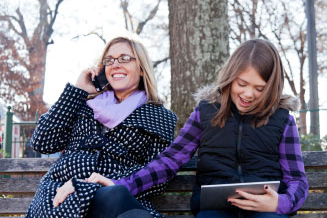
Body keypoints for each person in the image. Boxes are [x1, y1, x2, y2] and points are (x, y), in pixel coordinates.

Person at [91, 38, 309, 217]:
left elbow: (297, 180)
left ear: (271, 87)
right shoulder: (206, 112)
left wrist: (280, 203)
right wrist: (122, 185)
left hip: (265, 211)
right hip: (214, 210)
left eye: (259, 88)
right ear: (230, 78)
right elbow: (170, 160)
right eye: (241, 84)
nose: (248, 94)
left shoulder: (282, 120)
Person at [25, 35, 177, 218]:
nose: (116, 64)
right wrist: (77, 91)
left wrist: (104, 183)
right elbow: (43, 142)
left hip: (117, 197)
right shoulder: (82, 104)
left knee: (124, 204)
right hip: (61, 195)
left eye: (125, 58)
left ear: (142, 69)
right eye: (109, 60)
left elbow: (157, 173)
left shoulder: (160, 117)